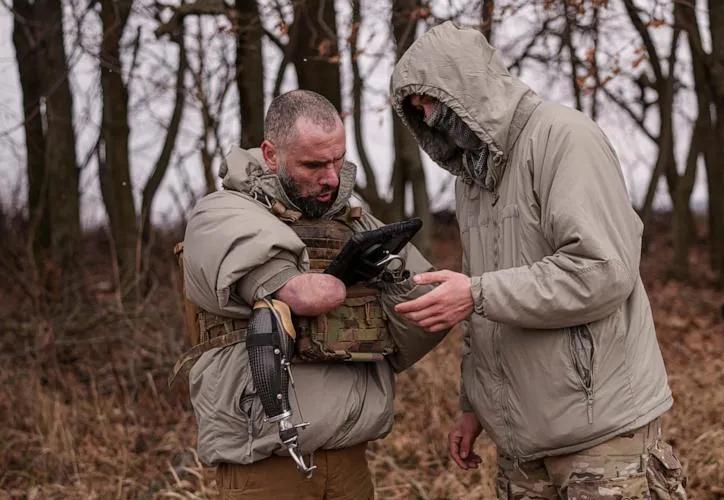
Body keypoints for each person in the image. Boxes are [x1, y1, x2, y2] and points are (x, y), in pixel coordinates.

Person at [389, 22, 687, 499]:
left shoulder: (563, 138)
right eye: (413, 110)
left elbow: (602, 270)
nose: (423, 115)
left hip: (599, 439)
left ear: (463, 87)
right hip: (521, 447)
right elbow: (482, 300)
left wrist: (476, 293)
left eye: (427, 100)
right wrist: (474, 406)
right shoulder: (473, 177)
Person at [177, 89, 446, 499]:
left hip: (350, 458)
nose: (333, 178)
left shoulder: (354, 222)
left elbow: (427, 312)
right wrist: (339, 283)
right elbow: (302, 293)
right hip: (267, 466)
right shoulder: (219, 214)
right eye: (314, 164)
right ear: (271, 155)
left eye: (338, 160)